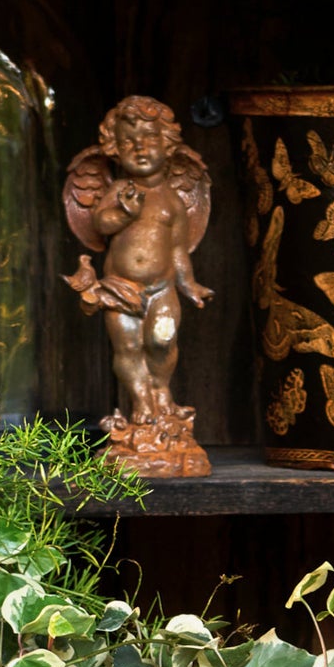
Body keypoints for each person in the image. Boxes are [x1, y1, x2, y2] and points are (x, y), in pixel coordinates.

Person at [63, 96, 213, 474]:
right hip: (120, 288)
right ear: (114, 148)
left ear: (168, 145)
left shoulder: (171, 201)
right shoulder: (118, 191)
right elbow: (100, 224)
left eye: (149, 139)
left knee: (162, 342)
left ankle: (161, 391)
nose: (140, 148)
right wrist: (123, 213)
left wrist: (189, 284)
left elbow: (178, 249)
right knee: (128, 348)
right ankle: (141, 401)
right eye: (128, 142)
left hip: (162, 290)